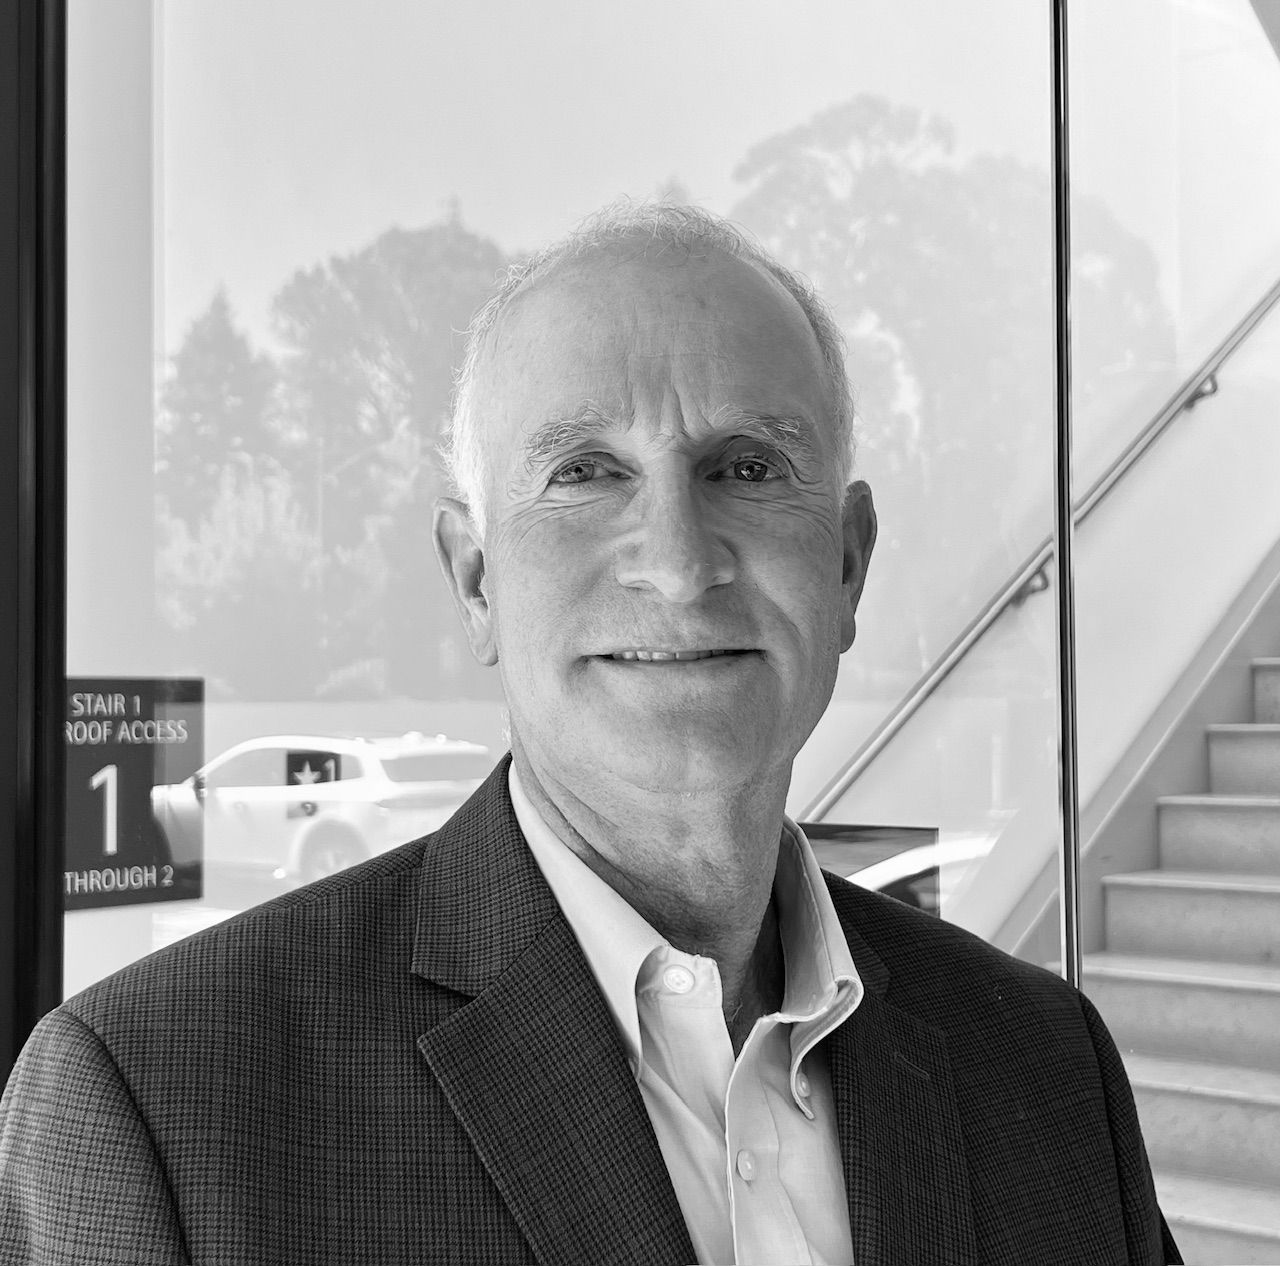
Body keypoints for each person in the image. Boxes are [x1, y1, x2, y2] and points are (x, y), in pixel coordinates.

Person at [0, 203, 1179, 1266]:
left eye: (747, 467)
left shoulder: (1046, 1065)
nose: (677, 562)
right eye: (584, 472)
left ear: (846, 565)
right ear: (474, 580)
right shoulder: (162, 1106)